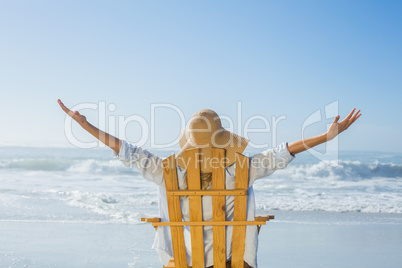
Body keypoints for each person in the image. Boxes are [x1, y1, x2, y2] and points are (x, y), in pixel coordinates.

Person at [57, 99, 361, 267]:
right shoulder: (242, 168)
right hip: (233, 262)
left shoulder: (164, 170)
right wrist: (325, 137)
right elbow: (284, 152)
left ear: (188, 143)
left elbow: (125, 150)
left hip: (183, 260)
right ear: (223, 141)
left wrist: (86, 125)